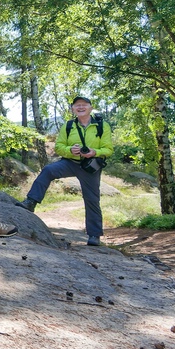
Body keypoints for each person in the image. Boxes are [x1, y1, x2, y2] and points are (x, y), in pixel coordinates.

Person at [17, 96, 113, 246]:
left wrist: (94, 152)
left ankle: (94, 235)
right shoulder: (68, 126)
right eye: (77, 105)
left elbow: (108, 149)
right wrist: (70, 150)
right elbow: (59, 147)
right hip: (70, 162)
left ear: (90, 108)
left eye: (84, 105)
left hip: (90, 166)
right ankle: (31, 201)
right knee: (48, 170)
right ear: (73, 109)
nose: (80, 107)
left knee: (92, 199)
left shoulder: (102, 125)